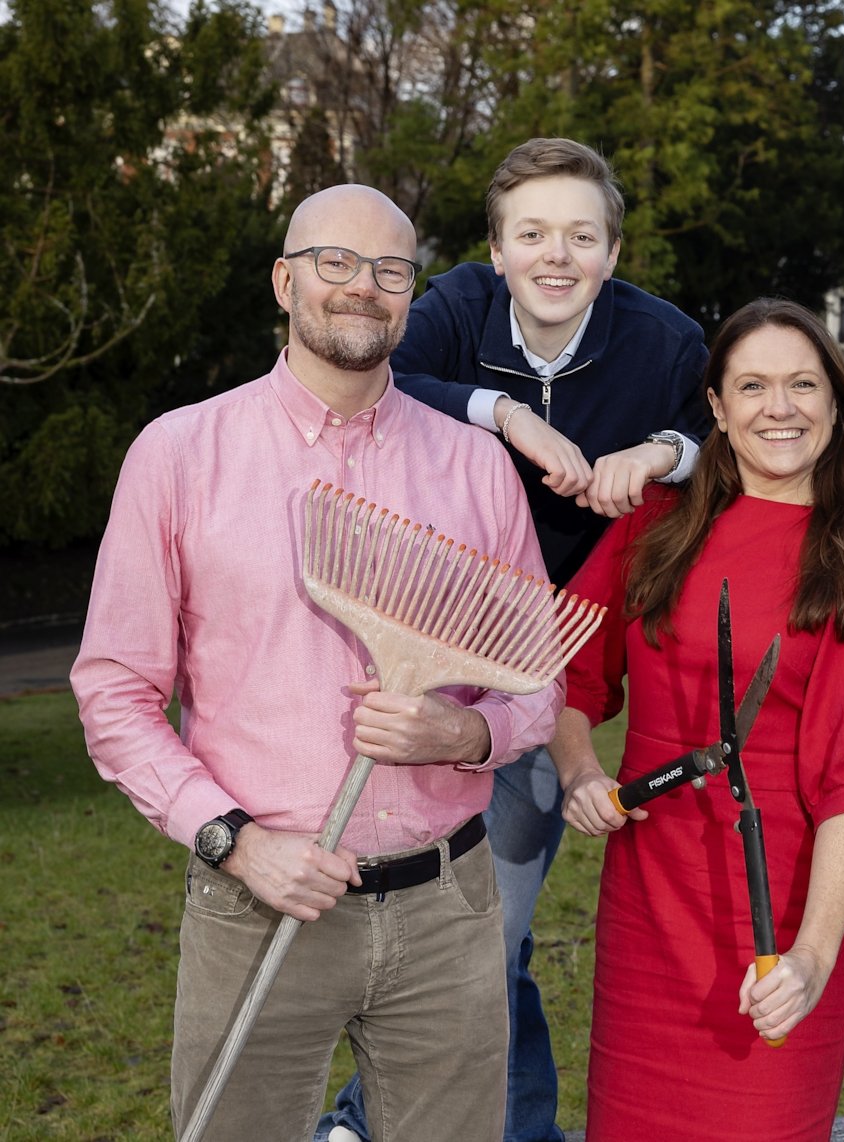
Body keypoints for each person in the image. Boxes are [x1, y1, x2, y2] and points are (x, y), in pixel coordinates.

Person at [70, 184, 563, 1142]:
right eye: (335, 262)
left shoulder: (474, 468)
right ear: (284, 281)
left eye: (391, 270)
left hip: (446, 909)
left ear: (411, 295)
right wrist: (235, 842)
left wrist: (468, 731)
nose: (362, 286)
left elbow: (538, 683)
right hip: (256, 900)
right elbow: (115, 694)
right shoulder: (179, 455)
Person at [318, 137, 710, 1142]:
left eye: (580, 236)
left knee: (491, 928)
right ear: (496, 251)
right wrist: (503, 415)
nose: (555, 256)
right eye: (531, 234)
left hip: (540, 669)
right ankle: (518, 1125)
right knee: (458, 931)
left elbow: (728, 431)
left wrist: (659, 452)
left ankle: (358, 1120)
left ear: (612, 252)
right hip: (425, 646)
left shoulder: (664, 340)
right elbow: (375, 375)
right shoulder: (452, 308)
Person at [549, 298, 844, 1141]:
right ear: (717, 407)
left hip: (786, 914)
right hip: (649, 912)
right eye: (752, 386)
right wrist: (579, 770)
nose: (778, 407)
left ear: (836, 402)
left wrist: (813, 956)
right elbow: (569, 674)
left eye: (803, 384)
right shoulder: (656, 525)